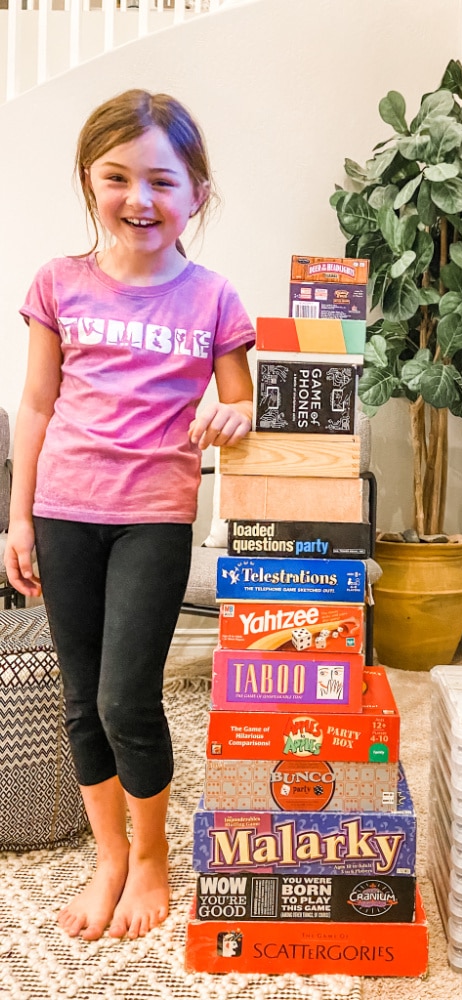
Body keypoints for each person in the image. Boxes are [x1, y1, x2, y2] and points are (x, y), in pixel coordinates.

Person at [3, 89, 255, 941]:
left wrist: (236, 416)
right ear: (89, 181)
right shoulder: (57, 284)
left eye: (161, 180)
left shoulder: (215, 299)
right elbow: (35, 406)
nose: (138, 199)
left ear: (197, 193)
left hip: (154, 514)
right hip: (63, 510)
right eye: (116, 177)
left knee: (125, 699)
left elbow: (242, 404)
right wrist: (19, 519)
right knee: (80, 699)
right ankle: (108, 855)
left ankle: (151, 858)